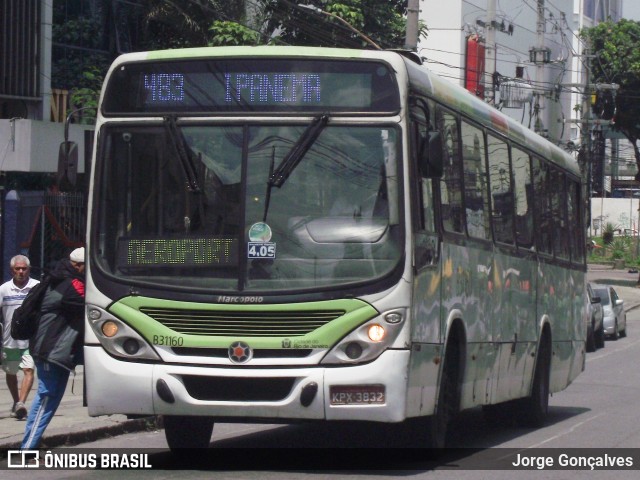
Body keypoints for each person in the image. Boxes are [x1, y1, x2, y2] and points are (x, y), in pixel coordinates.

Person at [21, 247, 85, 449]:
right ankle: (27, 450)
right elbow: (90, 301)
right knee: (46, 398)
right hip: (51, 350)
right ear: (77, 265)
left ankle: (32, 445)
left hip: (57, 352)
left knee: (50, 400)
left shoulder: (61, 279)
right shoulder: (71, 283)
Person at [0, 255, 38, 420]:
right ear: (12, 270)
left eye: (24, 268)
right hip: (10, 340)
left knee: (29, 370)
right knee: (11, 372)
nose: (21, 272)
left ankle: (22, 403)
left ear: (29, 269)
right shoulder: (4, 289)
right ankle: (16, 402)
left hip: (30, 339)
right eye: (18, 269)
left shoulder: (36, 287)